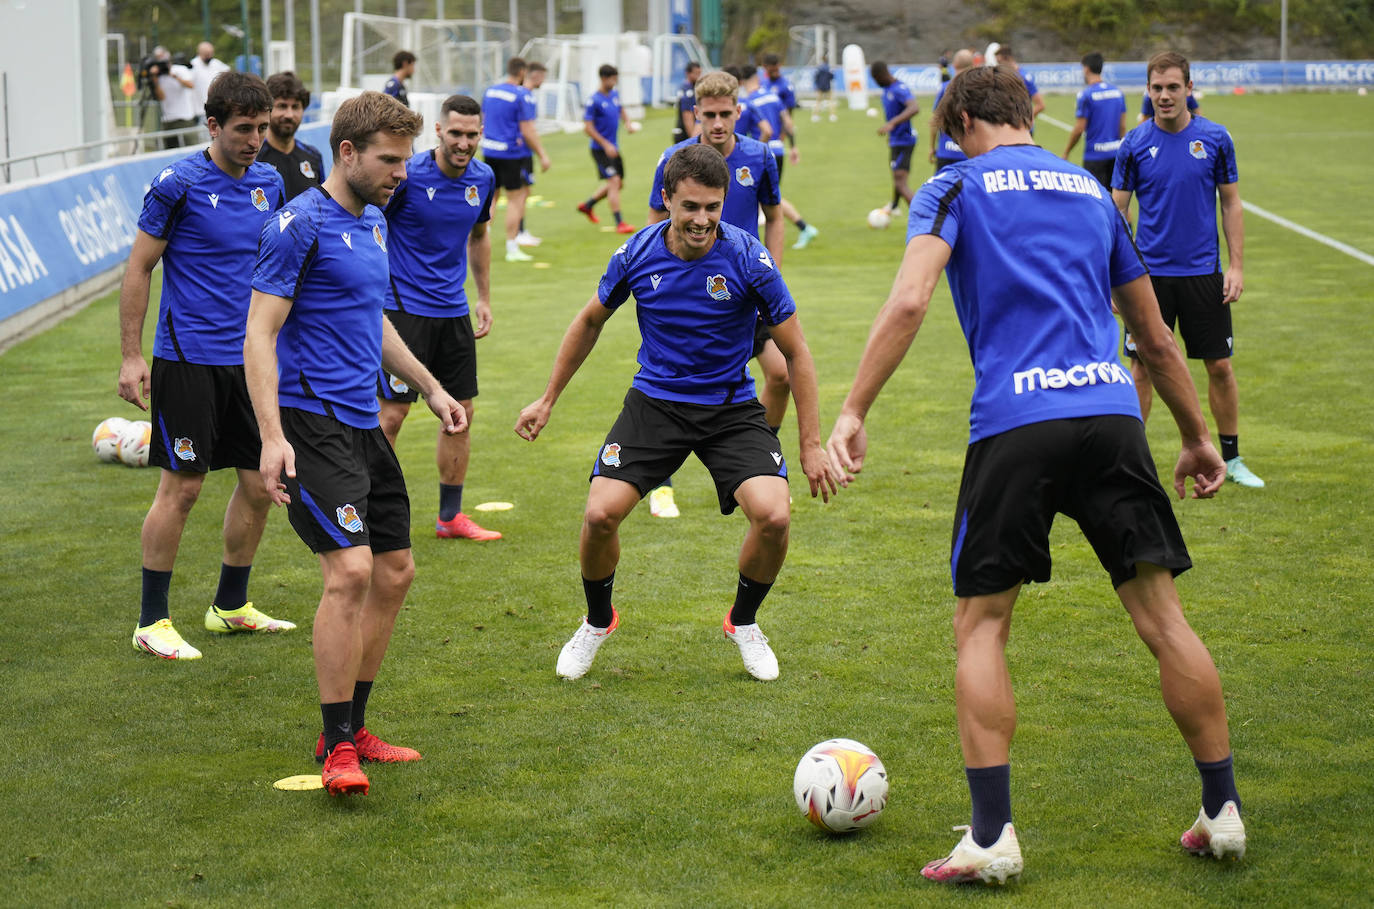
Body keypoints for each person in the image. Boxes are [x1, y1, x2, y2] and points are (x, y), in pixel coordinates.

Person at [827, 64, 1246, 885]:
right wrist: (1199, 436)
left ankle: (992, 836)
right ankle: (1223, 807)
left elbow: (909, 301)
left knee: (982, 626)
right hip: (1111, 416)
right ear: (1025, 113)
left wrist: (853, 410)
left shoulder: (953, 186)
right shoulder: (1091, 189)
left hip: (1016, 423)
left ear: (960, 125)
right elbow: (1154, 334)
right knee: (1164, 619)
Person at [516, 143, 836, 683]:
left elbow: (797, 353)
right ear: (666, 200)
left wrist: (810, 445)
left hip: (730, 407)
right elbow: (590, 321)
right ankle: (597, 621)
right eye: (690, 206)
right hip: (656, 404)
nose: (702, 220)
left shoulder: (748, 258)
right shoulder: (636, 253)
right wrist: (547, 398)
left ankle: (744, 622)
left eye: (713, 207)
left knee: (775, 517)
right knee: (599, 516)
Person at [245, 90, 468, 797]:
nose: (402, 172)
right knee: (349, 572)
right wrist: (272, 437)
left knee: (395, 571)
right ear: (347, 153)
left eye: (405, 158)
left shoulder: (373, 221)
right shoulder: (298, 225)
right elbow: (259, 333)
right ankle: (337, 743)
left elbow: (372, 319)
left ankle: (355, 725)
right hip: (309, 422)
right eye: (390, 160)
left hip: (363, 423)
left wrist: (430, 387)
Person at [118, 71, 293, 660]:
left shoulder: (270, 182)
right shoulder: (178, 183)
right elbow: (139, 268)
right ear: (212, 125)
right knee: (183, 488)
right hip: (188, 358)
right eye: (244, 129)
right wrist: (131, 355)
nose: (255, 140)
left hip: (251, 362)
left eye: (262, 128)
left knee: (260, 483)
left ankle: (230, 606)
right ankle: (151, 621)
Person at [1112, 51, 1262, 488]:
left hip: (1203, 274)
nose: (1164, 96)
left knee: (1219, 366)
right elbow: (1117, 212)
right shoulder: (1134, 144)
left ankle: (1231, 458)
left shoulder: (1215, 138)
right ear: (1148, 90)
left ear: (1189, 89)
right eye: (1157, 88)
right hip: (1148, 279)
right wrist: (1113, 278)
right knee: (1141, 368)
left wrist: (1236, 266)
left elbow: (1231, 203)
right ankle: (1132, 465)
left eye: (1173, 87)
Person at [642, 69, 785, 520]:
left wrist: (773, 271)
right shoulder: (675, 158)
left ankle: (761, 462)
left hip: (743, 290)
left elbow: (774, 216)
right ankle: (660, 485)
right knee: (670, 383)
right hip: (686, 295)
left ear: (739, 111)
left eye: (726, 113)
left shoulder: (760, 156)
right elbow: (653, 223)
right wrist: (655, 282)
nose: (718, 123)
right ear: (696, 114)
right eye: (709, 115)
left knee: (781, 375)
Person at [378, 94, 502, 542]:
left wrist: (483, 297)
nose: (463, 143)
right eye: (455, 133)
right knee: (391, 416)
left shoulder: (484, 178)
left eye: (471, 134)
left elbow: (479, 235)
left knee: (460, 413)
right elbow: (373, 225)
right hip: (403, 311)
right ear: (438, 130)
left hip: (453, 312)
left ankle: (450, 517)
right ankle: (373, 514)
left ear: (480, 133)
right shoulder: (408, 175)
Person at [482, 57, 552, 263]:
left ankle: (481, 239)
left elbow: (484, 118)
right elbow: (527, 130)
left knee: (492, 198)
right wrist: (543, 154)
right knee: (516, 199)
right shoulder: (521, 95)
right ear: (522, 72)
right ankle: (512, 248)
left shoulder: (490, 91)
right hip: (511, 153)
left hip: (490, 151)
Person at [741, 64, 818, 250]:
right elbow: (788, 123)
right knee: (767, 196)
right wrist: (794, 147)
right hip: (779, 150)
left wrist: (754, 151)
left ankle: (803, 227)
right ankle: (803, 228)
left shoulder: (749, 102)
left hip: (763, 153)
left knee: (762, 197)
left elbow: (763, 131)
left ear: (742, 81)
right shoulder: (773, 96)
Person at [576, 64, 637, 235]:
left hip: (613, 148)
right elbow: (587, 128)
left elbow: (621, 109)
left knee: (618, 184)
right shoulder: (593, 100)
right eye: (612, 79)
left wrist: (628, 123)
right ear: (603, 78)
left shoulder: (614, 95)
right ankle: (620, 223)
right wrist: (605, 144)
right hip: (600, 149)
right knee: (614, 182)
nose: (614, 82)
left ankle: (588, 205)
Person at [1063, 52, 1127, 188]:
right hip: (1115, 153)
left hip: (1095, 156)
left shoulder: (1086, 95)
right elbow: (1122, 126)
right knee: (1116, 196)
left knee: (1096, 197)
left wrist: (1067, 151)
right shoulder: (1117, 92)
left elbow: (1079, 129)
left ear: (1086, 69)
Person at [257, 71, 324, 200]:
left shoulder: (313, 156)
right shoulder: (254, 157)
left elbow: (323, 204)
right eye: (282, 106)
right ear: (267, 109)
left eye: (295, 107)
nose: (289, 115)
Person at [870, 62, 919, 217]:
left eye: (875, 79)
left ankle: (923, 214)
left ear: (880, 75)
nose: (876, 82)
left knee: (900, 182)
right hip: (896, 140)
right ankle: (894, 206)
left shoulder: (899, 89)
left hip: (904, 141)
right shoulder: (888, 89)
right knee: (897, 176)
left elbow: (914, 107)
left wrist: (892, 123)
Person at [515, 61, 548, 248]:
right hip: (520, 153)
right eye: (543, 77)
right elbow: (528, 129)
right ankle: (518, 233)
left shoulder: (521, 94)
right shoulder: (525, 96)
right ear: (536, 75)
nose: (543, 81)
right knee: (520, 193)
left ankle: (521, 231)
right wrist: (542, 154)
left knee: (523, 192)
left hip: (520, 152)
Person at [929, 49, 974, 171]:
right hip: (969, 153)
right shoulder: (977, 88)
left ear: (954, 64)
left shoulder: (945, 88)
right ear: (972, 65)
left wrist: (932, 147)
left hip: (946, 151)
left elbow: (936, 119)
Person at [152, 47, 198, 149]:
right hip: (168, 120)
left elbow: (191, 85)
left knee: (191, 150)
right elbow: (161, 97)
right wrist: (154, 79)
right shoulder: (158, 76)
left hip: (184, 119)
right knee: (170, 151)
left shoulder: (180, 69)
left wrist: (174, 76)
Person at [993, 46, 1044, 128]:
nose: (998, 65)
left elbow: (1040, 105)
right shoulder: (1003, 76)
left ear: (1008, 59)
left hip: (1020, 129)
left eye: (999, 62)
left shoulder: (1024, 77)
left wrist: (1023, 122)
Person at [189, 42, 230, 118]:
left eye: (211, 53)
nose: (209, 56)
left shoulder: (216, 63)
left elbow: (228, 74)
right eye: (206, 54)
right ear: (200, 53)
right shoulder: (193, 65)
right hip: (199, 109)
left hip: (217, 107)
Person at [673, 61, 701, 142]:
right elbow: (687, 116)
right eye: (696, 73)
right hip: (685, 135)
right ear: (688, 73)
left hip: (682, 132)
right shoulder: (688, 92)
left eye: (699, 73)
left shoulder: (688, 88)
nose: (699, 76)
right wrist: (693, 140)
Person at [812, 55, 836, 122]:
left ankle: (815, 115)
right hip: (827, 86)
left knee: (818, 101)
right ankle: (832, 115)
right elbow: (832, 77)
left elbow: (815, 77)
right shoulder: (828, 68)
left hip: (820, 87)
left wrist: (817, 85)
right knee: (830, 101)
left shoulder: (819, 68)